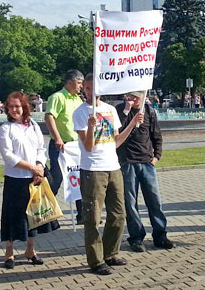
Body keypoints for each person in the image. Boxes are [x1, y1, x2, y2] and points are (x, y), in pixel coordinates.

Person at [73, 74, 144, 275]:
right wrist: (90, 127)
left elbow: (116, 141)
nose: (90, 92)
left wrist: (132, 123)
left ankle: (110, 253)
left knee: (119, 214)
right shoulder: (81, 113)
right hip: (93, 170)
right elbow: (88, 147)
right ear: (83, 90)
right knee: (93, 218)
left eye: (94, 88)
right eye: (87, 88)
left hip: (113, 167)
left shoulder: (110, 109)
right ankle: (95, 261)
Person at [0, 92, 59, 269]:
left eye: (18, 106)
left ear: (24, 107)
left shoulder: (32, 125)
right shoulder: (5, 128)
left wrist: (39, 167)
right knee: (13, 217)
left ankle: (30, 250)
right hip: (15, 179)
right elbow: (8, 156)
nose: (15, 109)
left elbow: (41, 148)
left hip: (35, 178)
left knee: (34, 216)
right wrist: (32, 168)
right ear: (7, 108)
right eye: (11, 106)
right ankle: (9, 252)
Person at [115, 91, 175, 253]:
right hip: (127, 162)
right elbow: (116, 133)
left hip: (146, 162)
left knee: (155, 201)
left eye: (136, 97)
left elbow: (157, 135)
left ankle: (160, 236)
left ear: (142, 97)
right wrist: (127, 113)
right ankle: (136, 238)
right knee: (130, 203)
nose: (133, 100)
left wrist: (156, 157)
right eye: (130, 96)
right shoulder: (119, 110)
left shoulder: (149, 110)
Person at [45, 69, 84, 223]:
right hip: (60, 145)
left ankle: (82, 214)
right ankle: (46, 213)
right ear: (69, 82)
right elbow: (49, 117)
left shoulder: (78, 100)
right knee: (56, 179)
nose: (81, 86)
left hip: (76, 146)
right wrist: (58, 137)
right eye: (79, 82)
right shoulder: (58, 97)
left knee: (79, 179)